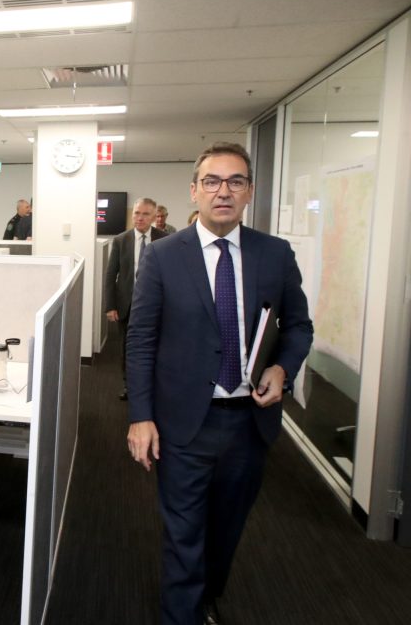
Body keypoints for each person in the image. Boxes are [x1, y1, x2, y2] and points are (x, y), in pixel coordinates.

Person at [126, 142, 313, 625]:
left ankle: (207, 593)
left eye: (235, 182)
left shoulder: (274, 254)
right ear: (195, 190)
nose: (222, 191)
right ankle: (182, 614)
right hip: (184, 423)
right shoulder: (165, 257)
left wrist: (282, 368)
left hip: (249, 424)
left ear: (249, 191)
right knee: (183, 533)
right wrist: (140, 416)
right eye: (212, 181)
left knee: (226, 529)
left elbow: (298, 327)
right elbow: (141, 339)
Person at [103, 197, 166, 400]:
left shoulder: (163, 238)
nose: (139, 218)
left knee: (155, 345)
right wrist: (110, 306)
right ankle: (129, 385)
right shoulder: (121, 239)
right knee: (127, 347)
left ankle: (153, 384)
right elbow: (111, 275)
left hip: (156, 303)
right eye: (136, 213)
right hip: (126, 303)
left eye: (145, 214)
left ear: (154, 216)